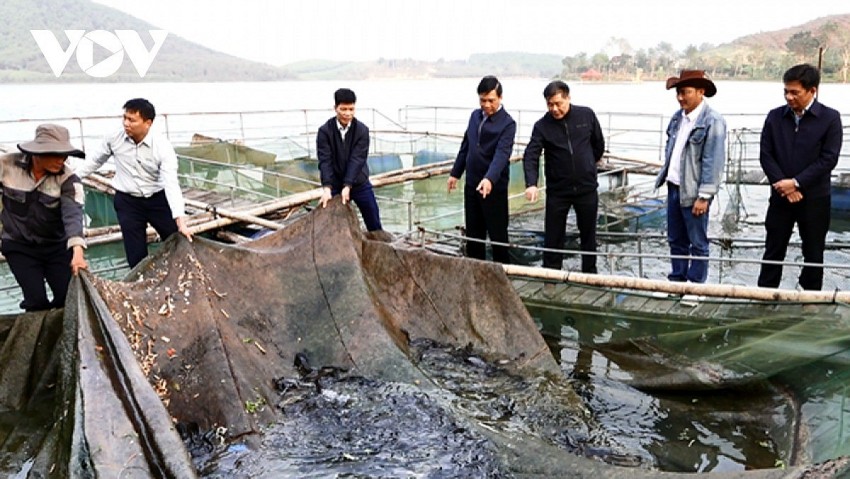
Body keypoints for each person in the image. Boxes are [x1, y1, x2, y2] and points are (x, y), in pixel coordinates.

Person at [75, 98, 192, 268]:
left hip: (157, 199)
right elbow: (94, 161)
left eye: (132, 120)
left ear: (148, 123)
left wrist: (181, 222)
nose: (126, 124)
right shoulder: (114, 138)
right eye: (124, 118)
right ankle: (140, 285)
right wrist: (72, 178)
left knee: (176, 241)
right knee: (135, 254)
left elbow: (171, 183)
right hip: (128, 201)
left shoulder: (162, 147)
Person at [757, 64, 843, 291]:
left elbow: (828, 159)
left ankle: (810, 300)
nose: (789, 97)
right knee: (773, 249)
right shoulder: (775, 117)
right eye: (786, 91)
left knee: (813, 251)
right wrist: (783, 186)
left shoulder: (830, 118)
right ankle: (763, 296)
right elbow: (766, 155)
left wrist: (796, 183)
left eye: (795, 92)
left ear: (812, 91)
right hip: (780, 196)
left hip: (815, 198)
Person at [1, 124, 88, 311]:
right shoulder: (6, 165)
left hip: (55, 246)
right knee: (36, 300)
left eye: (64, 155)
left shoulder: (69, 180)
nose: (61, 160)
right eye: (56, 154)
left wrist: (78, 253)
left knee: (68, 297)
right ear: (38, 154)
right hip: (18, 245)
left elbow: (73, 215)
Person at [523, 80, 605, 273]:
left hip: (586, 188)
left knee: (588, 235)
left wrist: (587, 165)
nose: (554, 109)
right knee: (553, 235)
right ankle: (551, 275)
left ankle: (590, 275)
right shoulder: (542, 126)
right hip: (558, 191)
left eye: (558, 103)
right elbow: (531, 155)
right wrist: (531, 183)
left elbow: (598, 144)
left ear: (568, 98)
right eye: (550, 104)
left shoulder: (586, 115)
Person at [654, 70, 726, 283]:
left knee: (698, 242)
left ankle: (695, 286)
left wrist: (704, 196)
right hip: (674, 186)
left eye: (685, 92)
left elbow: (714, 161)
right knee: (675, 238)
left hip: (695, 191)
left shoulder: (713, 121)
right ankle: (677, 279)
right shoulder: (678, 118)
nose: (680, 97)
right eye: (678, 93)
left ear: (700, 92)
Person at [447, 76, 516, 263]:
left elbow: (502, 155)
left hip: (493, 187)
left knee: (497, 234)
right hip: (472, 183)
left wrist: (490, 179)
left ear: (500, 98)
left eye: (491, 100)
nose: (486, 105)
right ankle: (476, 272)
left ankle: (502, 272)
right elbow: (466, 145)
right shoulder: (474, 116)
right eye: (482, 100)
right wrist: (455, 173)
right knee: (474, 234)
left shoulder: (508, 123)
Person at [316, 88, 382, 232]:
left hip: (359, 182)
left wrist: (348, 185)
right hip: (335, 184)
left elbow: (357, 159)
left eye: (351, 109)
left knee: (373, 221)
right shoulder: (325, 131)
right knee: (329, 224)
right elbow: (324, 160)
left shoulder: (362, 130)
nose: (347, 113)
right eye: (343, 109)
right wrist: (327, 188)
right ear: (335, 108)